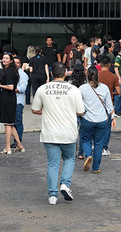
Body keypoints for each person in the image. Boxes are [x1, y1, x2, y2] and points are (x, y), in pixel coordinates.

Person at [31, 62, 85, 205]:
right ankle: (65, 184)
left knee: (53, 164)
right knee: (69, 159)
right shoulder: (74, 89)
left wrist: (48, 111)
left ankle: (52, 196)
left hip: (50, 132)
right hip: (69, 132)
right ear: (65, 72)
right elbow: (81, 112)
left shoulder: (43, 89)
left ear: (52, 73)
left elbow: (35, 109)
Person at [79, 66, 116, 173]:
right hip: (102, 120)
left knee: (86, 140)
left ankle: (88, 154)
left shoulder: (82, 88)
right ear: (97, 75)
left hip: (87, 119)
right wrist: (113, 118)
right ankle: (96, 168)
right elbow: (109, 105)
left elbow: (78, 104)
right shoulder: (104, 88)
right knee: (99, 144)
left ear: (87, 76)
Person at [0, 52, 24, 154]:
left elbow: (11, 87)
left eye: (7, 58)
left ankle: (7, 147)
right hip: (10, 98)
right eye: (3, 58)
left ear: (11, 60)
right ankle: (20, 145)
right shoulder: (11, 71)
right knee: (11, 124)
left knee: (7, 124)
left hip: (7, 98)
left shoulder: (9, 72)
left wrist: (0, 85)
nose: (4, 60)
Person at [13, 56, 29, 145]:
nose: (15, 64)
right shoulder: (9, 73)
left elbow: (22, 88)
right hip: (10, 101)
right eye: (14, 62)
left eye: (17, 62)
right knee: (12, 122)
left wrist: (11, 89)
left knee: (17, 121)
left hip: (18, 101)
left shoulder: (23, 75)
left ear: (20, 64)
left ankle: (18, 141)